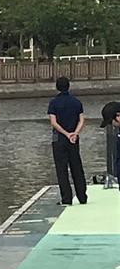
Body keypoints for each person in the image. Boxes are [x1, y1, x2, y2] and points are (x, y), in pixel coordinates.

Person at [47, 76, 87, 205]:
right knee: (76, 166)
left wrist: (66, 133)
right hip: (74, 139)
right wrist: (75, 133)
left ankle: (67, 198)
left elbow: (53, 122)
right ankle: (82, 196)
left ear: (57, 87)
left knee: (62, 169)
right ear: (68, 86)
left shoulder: (53, 103)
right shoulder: (76, 102)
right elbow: (81, 120)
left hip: (59, 139)